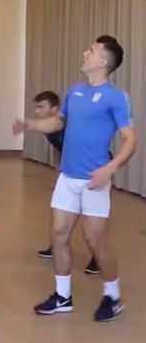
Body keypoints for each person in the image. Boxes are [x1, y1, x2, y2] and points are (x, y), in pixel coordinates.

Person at [13, 35, 136, 322]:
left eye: (91, 50)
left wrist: (109, 169)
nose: (84, 53)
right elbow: (57, 122)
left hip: (94, 179)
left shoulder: (116, 98)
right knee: (58, 235)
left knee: (95, 242)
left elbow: (130, 140)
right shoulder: (75, 91)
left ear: (103, 61)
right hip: (67, 176)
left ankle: (113, 296)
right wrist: (29, 124)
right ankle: (63, 297)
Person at [33, 91, 99, 275]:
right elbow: (61, 148)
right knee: (58, 210)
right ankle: (55, 246)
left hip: (94, 170)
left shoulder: (70, 123)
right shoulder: (50, 126)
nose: (37, 111)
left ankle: (98, 258)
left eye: (41, 107)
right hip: (73, 169)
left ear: (54, 108)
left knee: (91, 219)